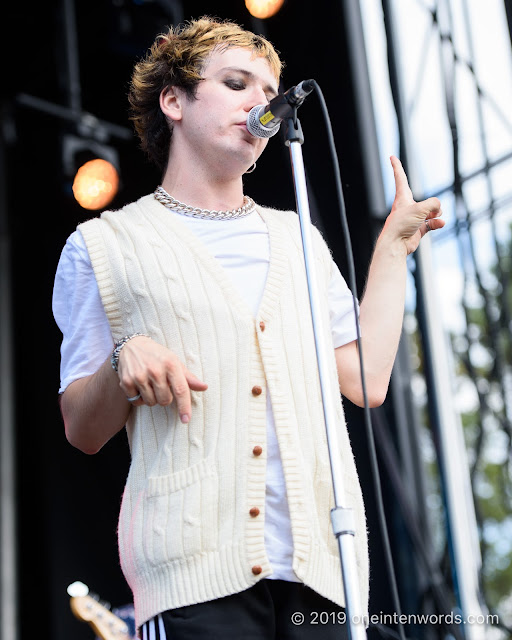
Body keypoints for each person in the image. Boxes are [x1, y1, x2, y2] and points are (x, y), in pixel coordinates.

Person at [53, 16, 444, 640]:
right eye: (237, 83)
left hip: (324, 572)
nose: (260, 103)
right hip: (192, 579)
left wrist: (393, 249)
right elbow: (82, 426)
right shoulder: (103, 246)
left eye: (268, 92)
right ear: (174, 100)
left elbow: (365, 380)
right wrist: (124, 358)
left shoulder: (297, 240)